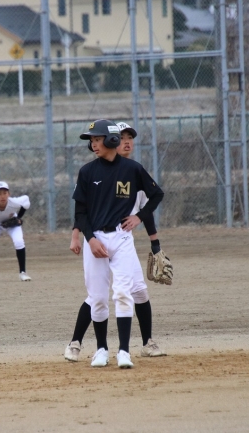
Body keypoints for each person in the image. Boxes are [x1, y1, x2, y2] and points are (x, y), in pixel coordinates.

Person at [65, 122, 167, 363]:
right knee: (98, 298)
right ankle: (100, 349)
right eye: (91, 141)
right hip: (96, 239)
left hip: (121, 238)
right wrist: (88, 238)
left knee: (125, 292)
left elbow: (156, 195)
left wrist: (140, 219)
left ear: (110, 140)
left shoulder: (133, 169)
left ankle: (124, 351)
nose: (93, 144)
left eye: (97, 139)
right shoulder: (87, 172)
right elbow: (81, 211)